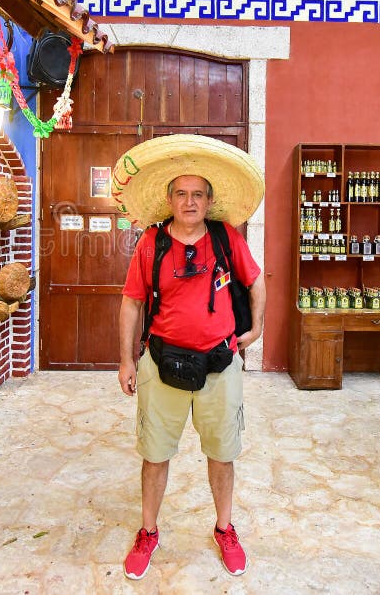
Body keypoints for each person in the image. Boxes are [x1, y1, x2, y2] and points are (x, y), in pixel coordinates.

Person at [111, 135, 266, 580]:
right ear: (169, 198)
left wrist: (256, 329)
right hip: (160, 364)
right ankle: (148, 531)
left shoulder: (226, 238)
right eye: (181, 193)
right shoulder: (151, 243)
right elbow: (131, 303)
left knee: (222, 453)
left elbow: (255, 282)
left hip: (220, 365)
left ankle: (224, 528)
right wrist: (126, 361)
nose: (189, 201)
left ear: (209, 200)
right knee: (155, 454)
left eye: (198, 193)